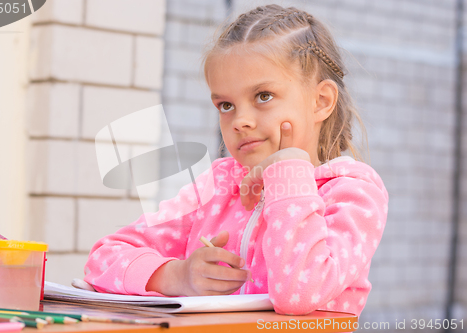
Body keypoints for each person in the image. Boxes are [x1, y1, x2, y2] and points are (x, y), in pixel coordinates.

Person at [84, 4, 389, 316]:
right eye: (226, 105)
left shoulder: (353, 193)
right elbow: (103, 258)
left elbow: (299, 294)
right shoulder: (219, 186)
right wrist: (177, 275)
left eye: (263, 96)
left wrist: (287, 173)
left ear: (320, 101)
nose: (240, 120)